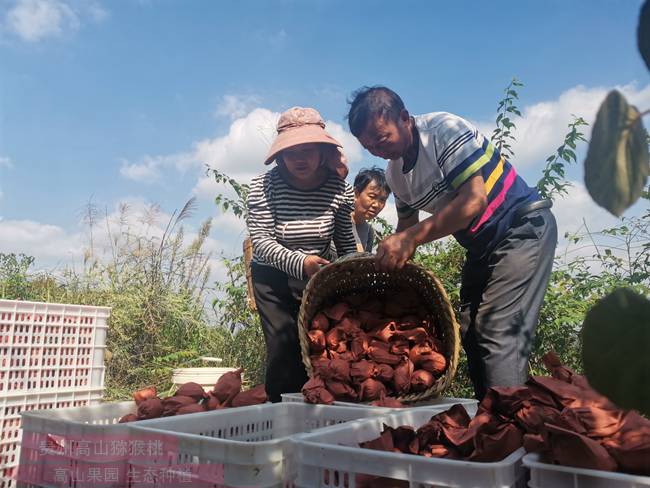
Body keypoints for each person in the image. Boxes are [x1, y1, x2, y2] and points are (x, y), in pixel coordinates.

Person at [347, 86, 558, 400]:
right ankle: (490, 417)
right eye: (369, 146)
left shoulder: (442, 131)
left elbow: (473, 202)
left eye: (382, 138)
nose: (377, 149)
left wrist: (408, 238)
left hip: (521, 227)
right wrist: (390, 270)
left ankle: (513, 426)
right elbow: (406, 225)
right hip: (482, 247)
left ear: (404, 118)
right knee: (471, 330)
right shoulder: (396, 175)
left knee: (497, 329)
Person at [246, 106, 357, 402]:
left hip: (318, 274)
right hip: (273, 277)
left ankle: (321, 411)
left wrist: (355, 271)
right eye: (292, 151)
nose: (300, 158)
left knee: (321, 345)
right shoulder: (262, 187)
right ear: (280, 154)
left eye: (309, 150)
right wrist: (302, 262)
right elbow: (262, 243)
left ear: (323, 152)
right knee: (284, 345)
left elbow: (346, 242)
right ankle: (280, 412)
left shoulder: (338, 189)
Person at [351, 167, 391, 252]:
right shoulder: (337, 219)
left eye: (382, 200)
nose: (376, 205)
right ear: (356, 193)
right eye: (372, 196)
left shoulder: (369, 232)